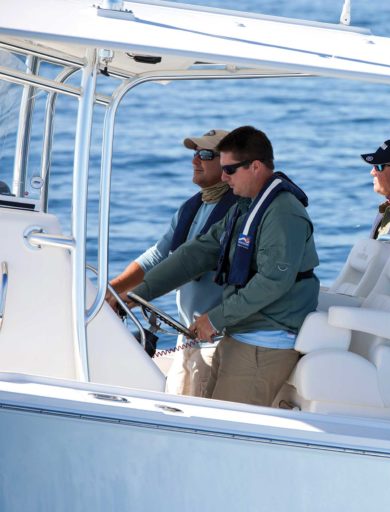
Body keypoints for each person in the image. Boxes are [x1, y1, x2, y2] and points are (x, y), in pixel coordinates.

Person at [128, 126, 319, 407]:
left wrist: (215, 319)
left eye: (229, 169)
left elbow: (272, 281)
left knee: (226, 429)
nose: (224, 175)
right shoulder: (245, 207)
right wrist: (140, 292)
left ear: (255, 166)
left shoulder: (283, 213)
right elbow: (198, 252)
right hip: (241, 335)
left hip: (264, 343)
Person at [107, 129, 237, 397]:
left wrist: (136, 294)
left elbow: (187, 263)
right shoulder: (191, 208)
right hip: (187, 336)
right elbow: (157, 257)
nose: (195, 160)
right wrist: (112, 291)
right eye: (194, 153)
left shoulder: (240, 213)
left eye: (204, 154)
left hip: (218, 340)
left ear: (227, 164)